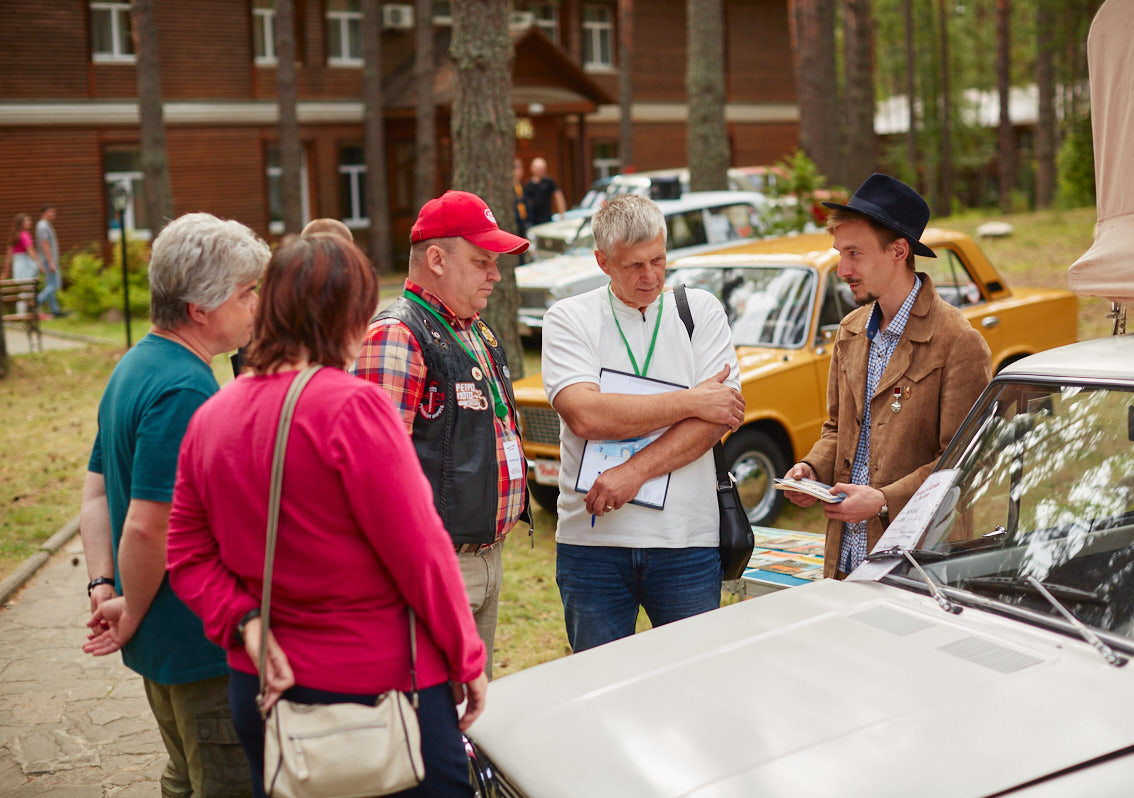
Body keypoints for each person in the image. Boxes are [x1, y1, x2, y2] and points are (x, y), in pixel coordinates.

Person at [167, 235, 487, 798]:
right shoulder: (353, 407)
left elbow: (187, 556)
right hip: (382, 690)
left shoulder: (211, 417)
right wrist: (467, 656)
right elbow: (421, 553)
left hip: (263, 688)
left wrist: (246, 624)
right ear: (350, 318)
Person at [79, 212, 269, 798]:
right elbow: (146, 525)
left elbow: (93, 494)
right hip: (196, 642)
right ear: (200, 309)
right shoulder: (186, 387)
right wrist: (129, 610)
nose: (257, 305)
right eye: (246, 293)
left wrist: (103, 589)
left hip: (160, 640)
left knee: (182, 775)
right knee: (223, 782)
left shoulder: (135, 365)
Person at [540, 194, 746, 652]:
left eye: (658, 260)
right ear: (602, 261)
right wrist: (692, 400)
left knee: (692, 683)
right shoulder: (569, 318)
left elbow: (718, 419)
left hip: (686, 541)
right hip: (591, 545)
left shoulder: (700, 312)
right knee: (600, 688)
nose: (650, 276)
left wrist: (633, 473)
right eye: (633, 266)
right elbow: (585, 414)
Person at [352, 190, 530, 678]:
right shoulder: (399, 334)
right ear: (436, 259)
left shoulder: (471, 327)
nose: (495, 275)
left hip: (483, 556)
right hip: (437, 566)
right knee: (437, 713)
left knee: (470, 705)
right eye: (482, 262)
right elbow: (374, 476)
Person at [781, 173, 991, 578]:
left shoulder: (958, 340)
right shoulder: (850, 330)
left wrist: (881, 500)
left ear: (898, 250)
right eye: (840, 253)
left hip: (918, 566)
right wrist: (811, 470)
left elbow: (965, 462)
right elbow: (835, 429)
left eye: (854, 253)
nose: (842, 269)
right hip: (845, 558)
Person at [36, 205, 65, 316]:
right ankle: (37, 300)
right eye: (50, 212)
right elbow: (45, 244)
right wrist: (51, 261)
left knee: (51, 284)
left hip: (49, 260)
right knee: (53, 284)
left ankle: (55, 310)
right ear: (44, 213)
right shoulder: (43, 226)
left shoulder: (45, 225)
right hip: (49, 260)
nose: (53, 215)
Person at [523, 156, 566, 225]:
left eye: (542, 168)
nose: (541, 171)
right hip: (533, 220)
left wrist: (562, 214)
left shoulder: (549, 182)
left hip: (546, 218)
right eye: (538, 168)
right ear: (532, 168)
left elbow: (558, 196)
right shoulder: (528, 184)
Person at [512, 157, 529, 238]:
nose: (521, 171)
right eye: (518, 169)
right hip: (516, 223)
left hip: (524, 222)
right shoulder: (510, 187)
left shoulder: (521, 186)